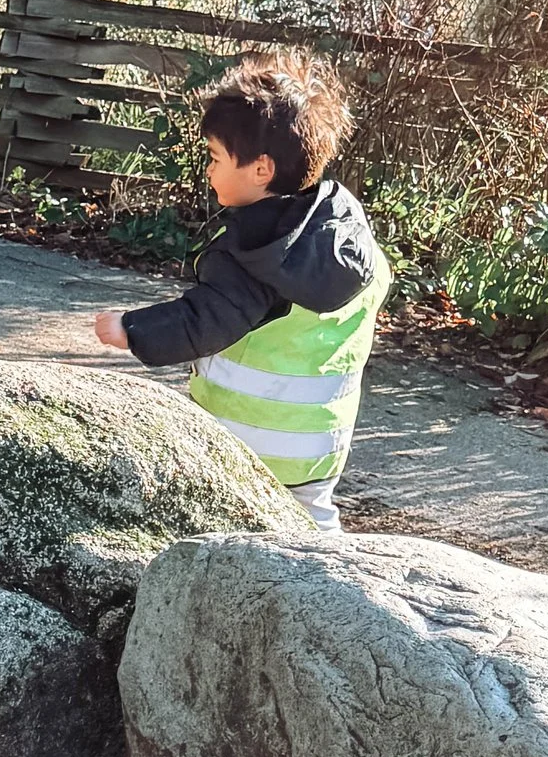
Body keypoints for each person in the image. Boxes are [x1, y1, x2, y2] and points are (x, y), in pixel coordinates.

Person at [91, 49, 390, 536]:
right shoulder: (346, 239)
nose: (208, 172)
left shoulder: (259, 250)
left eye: (214, 158)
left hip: (244, 435)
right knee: (310, 525)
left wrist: (130, 328)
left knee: (209, 528)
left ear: (261, 170)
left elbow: (207, 318)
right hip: (319, 442)